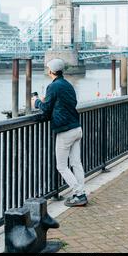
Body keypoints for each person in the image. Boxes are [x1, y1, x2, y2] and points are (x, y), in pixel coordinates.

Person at [31, 58, 87, 207]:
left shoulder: (53, 86)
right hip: (77, 128)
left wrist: (36, 101)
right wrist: (47, 101)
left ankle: (79, 193)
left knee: (61, 166)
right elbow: (64, 104)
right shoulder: (68, 85)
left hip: (65, 130)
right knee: (76, 163)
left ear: (50, 71)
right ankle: (81, 193)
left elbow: (46, 109)